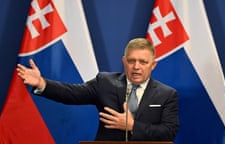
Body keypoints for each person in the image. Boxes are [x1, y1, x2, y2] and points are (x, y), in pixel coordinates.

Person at [17, 38, 179, 141]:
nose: (136, 67)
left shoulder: (166, 94)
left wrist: (133, 126)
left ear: (153, 65)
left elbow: (168, 132)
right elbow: (71, 94)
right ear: (124, 61)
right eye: (131, 61)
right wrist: (41, 83)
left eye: (143, 62)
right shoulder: (105, 82)